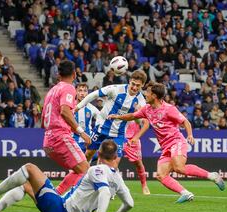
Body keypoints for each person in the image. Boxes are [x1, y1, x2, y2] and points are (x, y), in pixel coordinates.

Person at [0, 140, 134, 212]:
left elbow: (104, 192)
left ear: (99, 153)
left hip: (62, 210)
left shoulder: (96, 170)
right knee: (26, 185)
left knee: (30, 168)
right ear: (116, 157)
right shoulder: (118, 179)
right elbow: (129, 204)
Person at [108, 83, 225, 203]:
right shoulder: (147, 109)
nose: (145, 94)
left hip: (176, 141)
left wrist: (190, 135)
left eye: (147, 92)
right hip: (165, 147)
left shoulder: (169, 109)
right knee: (160, 175)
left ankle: (212, 176)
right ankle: (185, 193)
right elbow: (132, 116)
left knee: (179, 167)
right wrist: (117, 116)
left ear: (154, 95)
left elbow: (185, 122)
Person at [76, 70, 148, 166]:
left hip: (119, 133)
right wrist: (78, 107)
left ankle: (103, 178)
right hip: (101, 127)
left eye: (138, 85)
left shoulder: (141, 101)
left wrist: (137, 114)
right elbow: (94, 94)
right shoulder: (116, 89)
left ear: (142, 85)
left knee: (114, 163)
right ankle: (83, 176)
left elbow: (139, 122)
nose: (134, 88)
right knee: (88, 154)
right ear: (130, 80)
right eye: (133, 84)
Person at [42, 60, 91, 195]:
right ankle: (70, 204)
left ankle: (56, 195)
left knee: (79, 170)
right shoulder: (68, 88)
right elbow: (64, 111)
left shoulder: (52, 90)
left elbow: (44, 117)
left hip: (48, 139)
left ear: (58, 75)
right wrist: (81, 132)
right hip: (60, 137)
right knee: (85, 170)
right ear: (74, 75)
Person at [123, 116, 150, 195]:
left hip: (133, 139)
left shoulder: (139, 106)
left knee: (138, 163)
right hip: (120, 137)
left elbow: (140, 122)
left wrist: (135, 114)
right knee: (113, 161)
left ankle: (144, 185)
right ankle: (113, 186)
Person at [73, 83, 99, 153]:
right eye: (80, 91)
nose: (82, 93)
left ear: (88, 93)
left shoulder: (92, 108)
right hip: (74, 141)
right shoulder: (70, 106)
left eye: (85, 91)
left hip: (88, 142)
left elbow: (101, 121)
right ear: (76, 92)